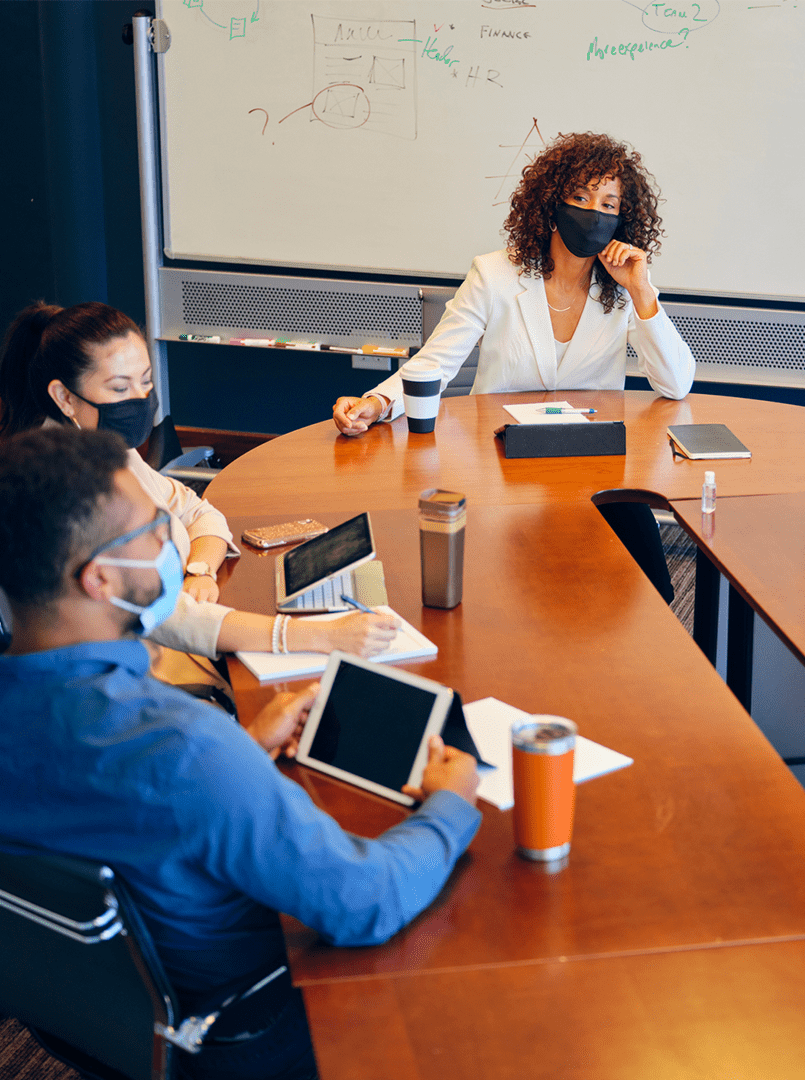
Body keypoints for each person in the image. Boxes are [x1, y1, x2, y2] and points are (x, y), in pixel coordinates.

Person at [0, 426, 481, 1080]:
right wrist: (450, 804)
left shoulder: (172, 752)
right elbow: (364, 901)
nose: (170, 544)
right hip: (243, 1036)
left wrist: (244, 752)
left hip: (84, 1020)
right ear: (100, 578)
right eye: (152, 531)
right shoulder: (183, 749)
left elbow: (114, 808)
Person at [331, 132, 695, 601]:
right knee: (515, 591)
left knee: (645, 596)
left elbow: (676, 384)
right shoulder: (495, 274)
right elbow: (436, 362)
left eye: (609, 204)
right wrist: (378, 402)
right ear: (551, 205)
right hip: (504, 466)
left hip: (595, 468)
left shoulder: (624, 287)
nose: (594, 213)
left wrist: (641, 291)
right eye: (580, 198)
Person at [0, 301, 396, 662]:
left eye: (146, 381)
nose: (140, 398)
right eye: (120, 388)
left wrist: (201, 571)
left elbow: (197, 510)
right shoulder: (61, 489)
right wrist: (321, 635)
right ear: (64, 397)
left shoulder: (105, 447)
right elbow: (170, 617)